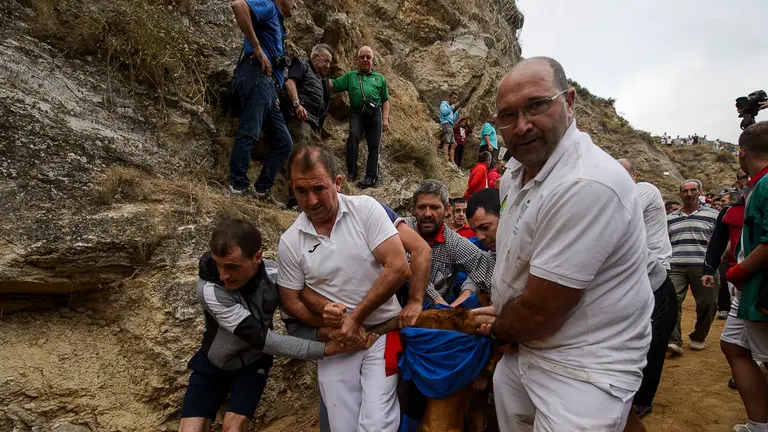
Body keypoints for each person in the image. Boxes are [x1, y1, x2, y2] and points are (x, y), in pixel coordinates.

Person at [479, 57, 653, 431]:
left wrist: (499, 330)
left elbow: (542, 310)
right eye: (508, 115)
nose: (522, 126)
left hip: (584, 364)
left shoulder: (585, 182)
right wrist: (507, 320)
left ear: (569, 101)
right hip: (529, 344)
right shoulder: (515, 171)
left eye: (537, 105)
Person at [178, 219, 361, 432]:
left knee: (234, 427)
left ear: (258, 257)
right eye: (218, 265)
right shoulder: (209, 289)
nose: (223, 275)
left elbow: (299, 310)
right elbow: (265, 339)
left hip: (254, 362)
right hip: (213, 363)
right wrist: (327, 350)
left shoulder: (275, 275)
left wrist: (329, 324)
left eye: (232, 267)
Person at [277, 144, 410, 432]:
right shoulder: (290, 241)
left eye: (319, 188)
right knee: (340, 424)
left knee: (377, 422)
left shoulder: (365, 210)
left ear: (337, 182)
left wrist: (356, 318)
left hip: (383, 333)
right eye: (301, 191)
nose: (311, 201)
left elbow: (399, 267)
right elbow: (290, 298)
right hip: (338, 344)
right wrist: (330, 327)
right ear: (292, 188)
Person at [617, 158, 677, 420]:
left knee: (653, 339)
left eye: (621, 173)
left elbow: (619, 213)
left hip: (655, 272)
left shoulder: (645, 190)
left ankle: (643, 400)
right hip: (633, 274)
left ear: (634, 175)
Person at [228, 0, 296, 207]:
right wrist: (257, 47)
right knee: (249, 131)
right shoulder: (268, 6)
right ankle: (238, 186)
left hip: (269, 86)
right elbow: (239, 5)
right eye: (294, 0)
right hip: (257, 76)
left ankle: (261, 189)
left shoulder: (277, 19)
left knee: (285, 143)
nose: (295, 5)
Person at [724, 122, 768, 432]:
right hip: (751, 289)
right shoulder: (756, 184)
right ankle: (759, 424)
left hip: (763, 289)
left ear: (742, 152)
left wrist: (740, 270)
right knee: (733, 345)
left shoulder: (766, 184)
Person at [404, 180, 496, 307]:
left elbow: (488, 269)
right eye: (421, 207)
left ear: (447, 209)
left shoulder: (454, 243)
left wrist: (466, 293)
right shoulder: (400, 230)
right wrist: (436, 297)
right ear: (413, 208)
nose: (427, 214)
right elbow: (404, 266)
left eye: (435, 207)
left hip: (432, 321)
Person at [666, 179, 720, 356]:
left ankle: (698, 336)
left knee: (709, 303)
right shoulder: (670, 219)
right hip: (676, 266)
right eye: (685, 191)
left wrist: (717, 260)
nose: (689, 194)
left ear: (700, 192)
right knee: (671, 301)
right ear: (680, 193)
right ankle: (674, 341)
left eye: (693, 190)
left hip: (705, 267)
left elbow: (721, 241)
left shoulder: (713, 215)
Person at [330, 46, 390, 189]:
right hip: (357, 113)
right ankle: (352, 173)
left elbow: (385, 100)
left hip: (375, 114)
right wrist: (313, 77)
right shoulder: (351, 76)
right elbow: (333, 84)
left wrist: (385, 118)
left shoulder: (380, 78)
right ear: (357, 59)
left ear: (372, 60)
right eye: (362, 57)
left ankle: (370, 178)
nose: (365, 60)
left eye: (368, 57)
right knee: (353, 136)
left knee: (375, 145)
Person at [281, 44, 333, 146]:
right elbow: (290, 83)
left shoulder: (321, 81)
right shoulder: (302, 65)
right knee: (299, 153)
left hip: (314, 128)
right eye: (326, 61)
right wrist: (297, 105)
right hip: (299, 121)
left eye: (330, 63)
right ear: (315, 57)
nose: (328, 66)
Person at [706, 189, 745, 320]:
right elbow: (718, 241)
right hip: (735, 266)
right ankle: (724, 307)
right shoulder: (728, 213)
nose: (720, 204)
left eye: (724, 201)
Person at [439, 91, 461, 169]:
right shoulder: (444, 104)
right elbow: (444, 112)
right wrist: (452, 107)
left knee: (453, 144)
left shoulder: (450, 106)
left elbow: (452, 118)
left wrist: (457, 112)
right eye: (453, 98)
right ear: (449, 97)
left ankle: (452, 161)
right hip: (445, 124)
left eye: (456, 99)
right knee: (447, 143)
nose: (454, 100)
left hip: (450, 125)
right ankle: (446, 161)